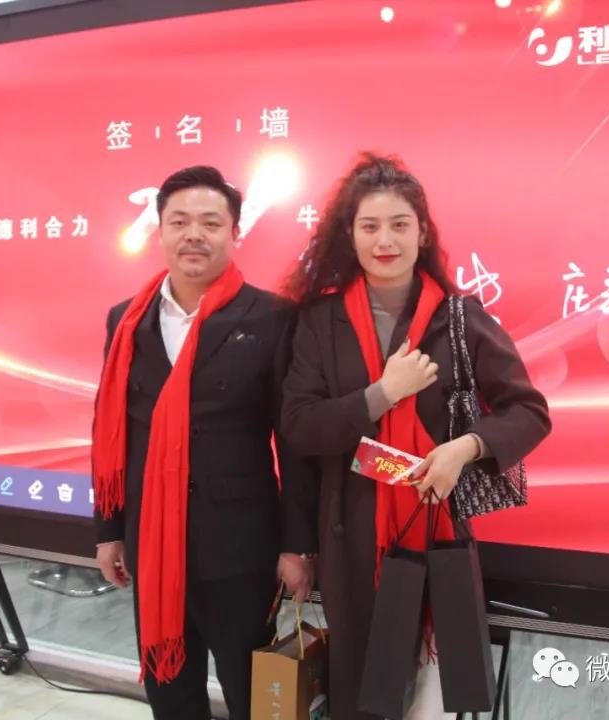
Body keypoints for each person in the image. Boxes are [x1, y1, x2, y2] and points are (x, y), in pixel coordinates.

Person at [280, 153, 551, 719]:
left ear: (422, 233)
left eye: (399, 224)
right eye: (370, 226)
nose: (385, 240)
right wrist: (382, 393)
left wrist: (466, 448)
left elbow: (528, 411)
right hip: (350, 537)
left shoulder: (460, 318)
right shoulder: (319, 322)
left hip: (436, 530)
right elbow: (301, 427)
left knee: (433, 695)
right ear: (350, 236)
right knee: (359, 694)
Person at [92, 165, 317, 720]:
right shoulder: (126, 321)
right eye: (179, 221)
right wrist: (108, 531)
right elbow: (111, 432)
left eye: (211, 223)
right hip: (151, 541)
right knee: (170, 693)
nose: (194, 234)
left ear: (234, 233)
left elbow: (294, 443)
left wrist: (297, 546)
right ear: (161, 230)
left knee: (251, 694)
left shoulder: (272, 317)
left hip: (240, 546)